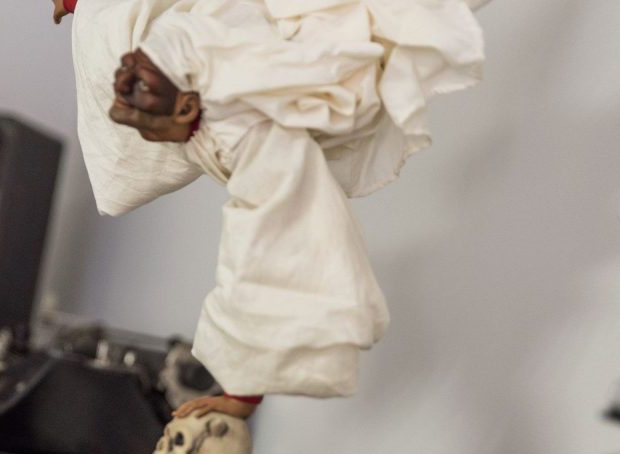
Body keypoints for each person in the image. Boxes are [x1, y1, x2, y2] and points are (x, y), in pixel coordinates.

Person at [56, 0, 485, 419]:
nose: (146, 128)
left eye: (149, 122)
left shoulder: (246, 133)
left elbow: (268, 251)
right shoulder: (191, 47)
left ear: (185, 107)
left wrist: (241, 393)